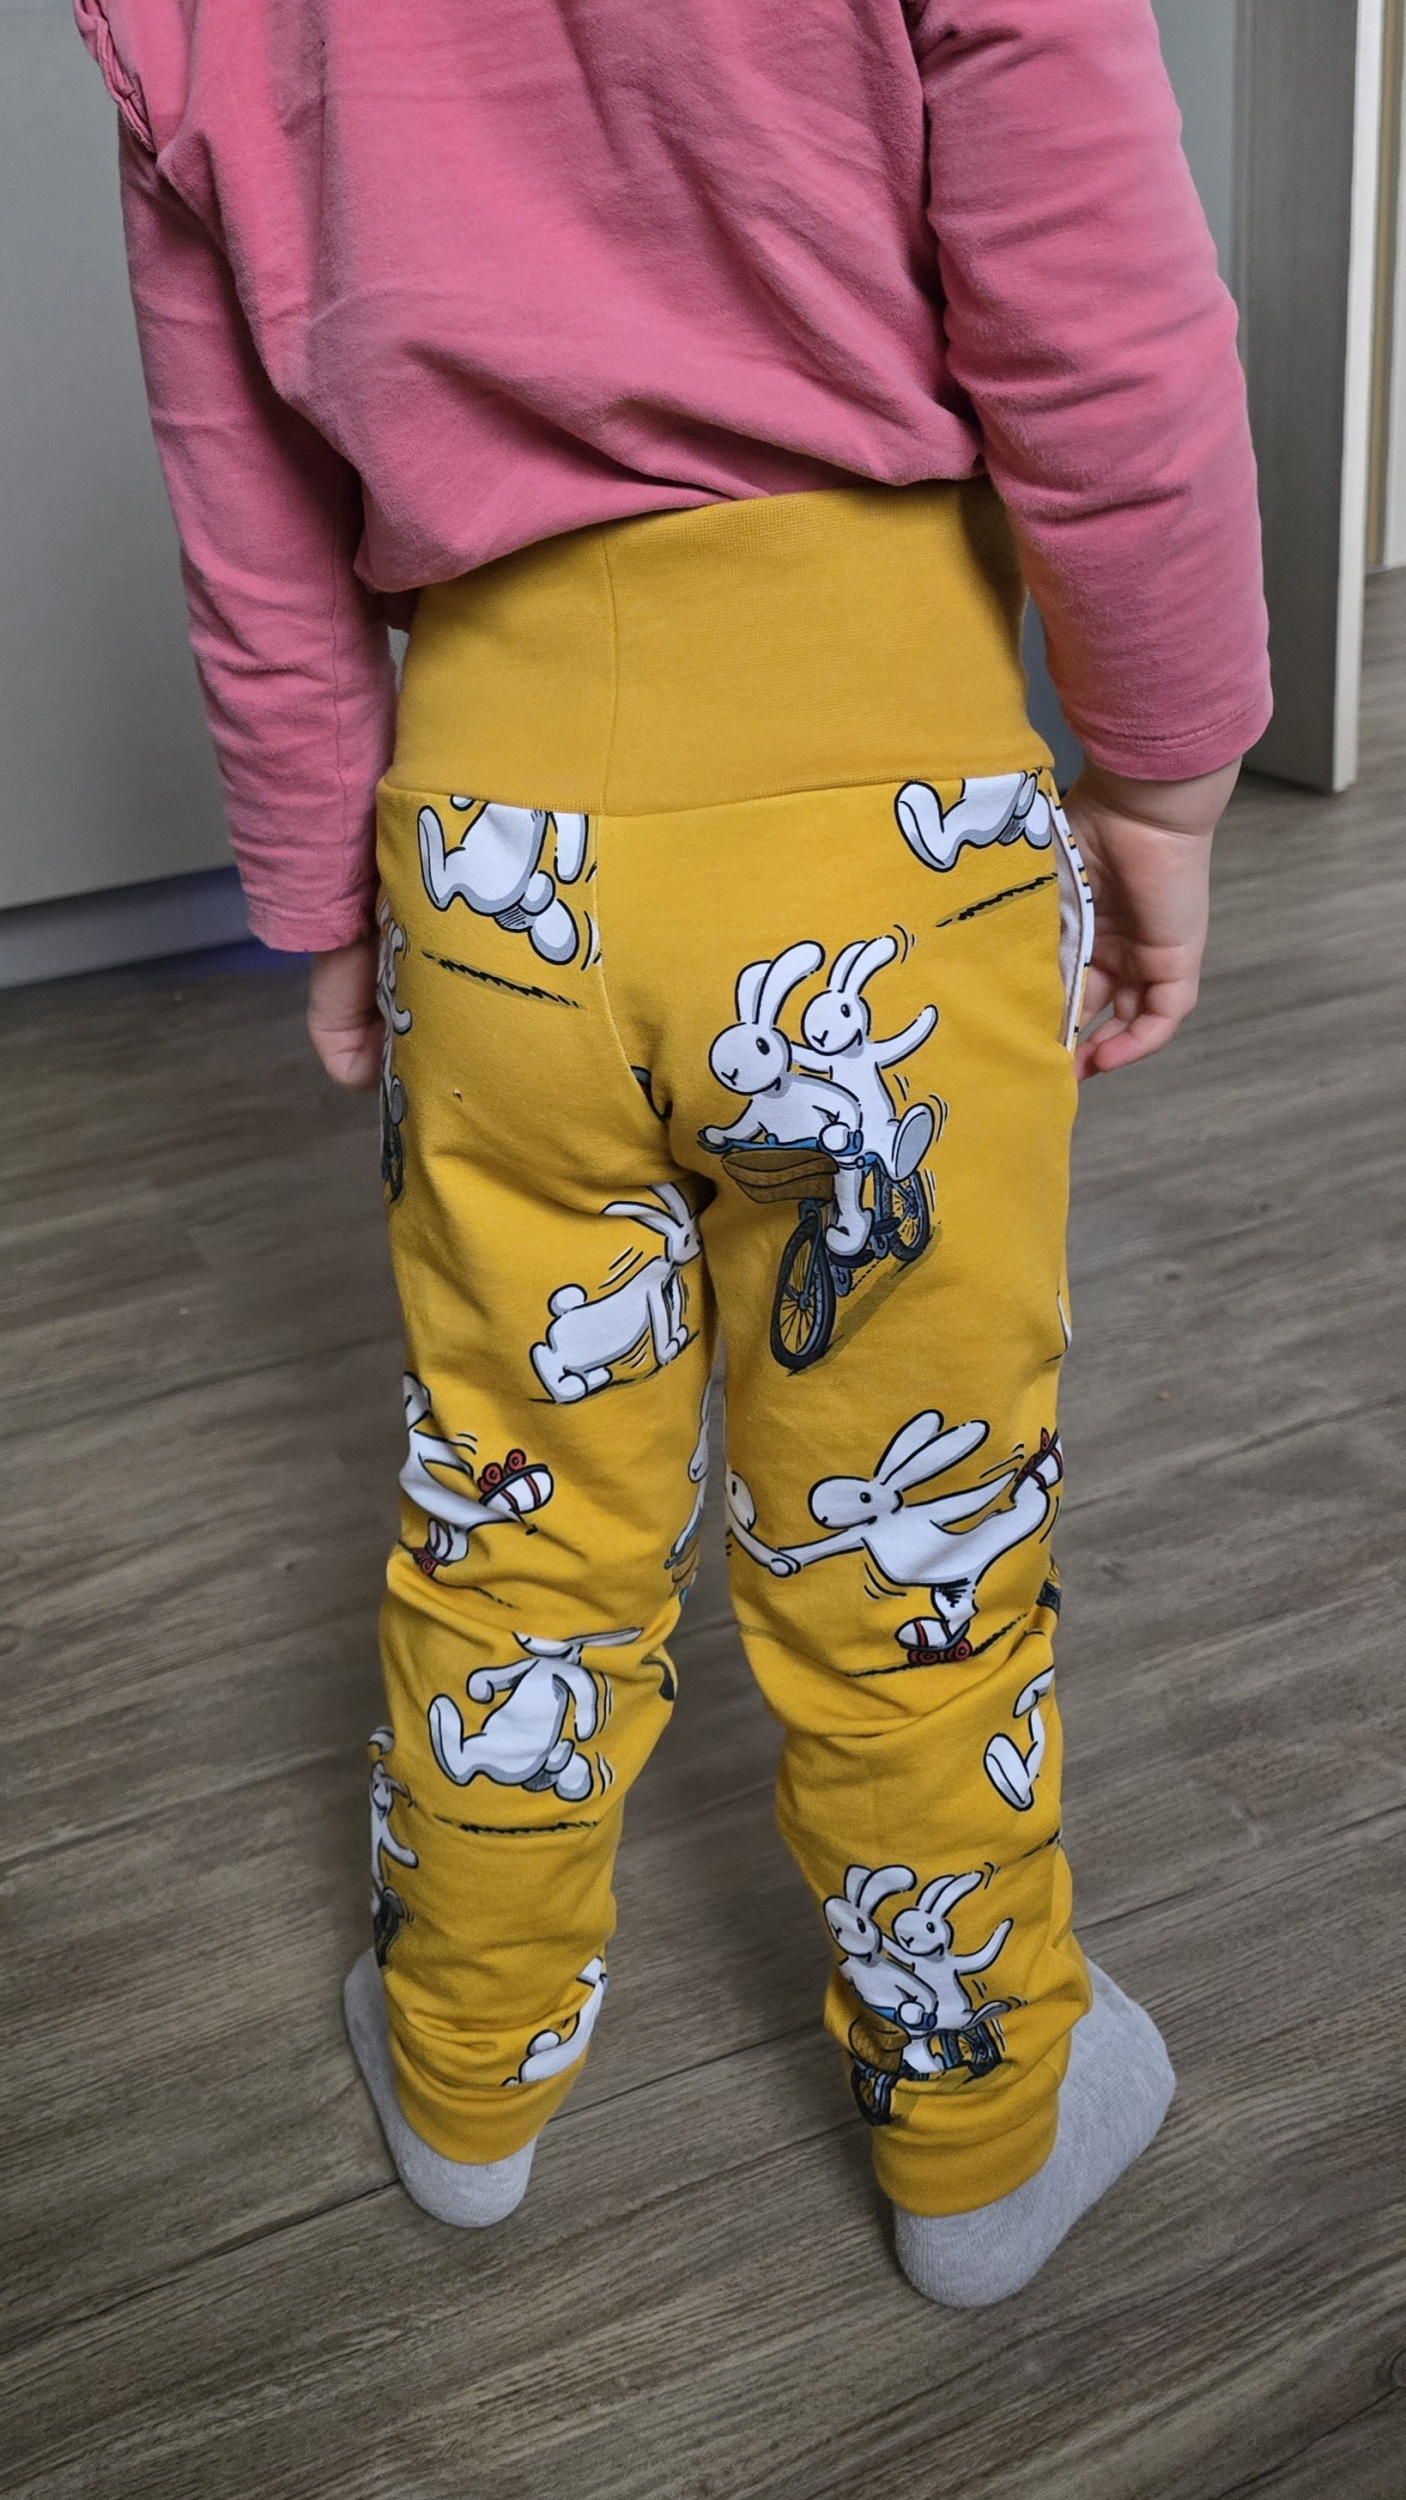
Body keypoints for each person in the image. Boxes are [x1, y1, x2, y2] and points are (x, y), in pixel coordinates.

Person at [77, 0, 1270, 2307]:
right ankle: (978, 2131)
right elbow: (1106, 320)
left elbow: (249, 512)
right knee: (910, 1535)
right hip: (887, 831)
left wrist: (321, 898)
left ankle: (462, 2073)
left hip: (496, 854)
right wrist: (1163, 765)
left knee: (513, 1503)